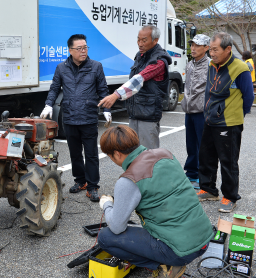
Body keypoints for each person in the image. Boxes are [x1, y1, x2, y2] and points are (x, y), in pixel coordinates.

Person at [98, 125, 213, 278]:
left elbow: (117, 227)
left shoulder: (128, 180)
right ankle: (170, 258)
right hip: (204, 238)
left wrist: (107, 205)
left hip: (180, 252)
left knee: (105, 237)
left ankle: (165, 265)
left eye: (110, 156)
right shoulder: (165, 154)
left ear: (117, 154)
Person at [40, 34, 111, 202]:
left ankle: (93, 186)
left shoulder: (96, 67)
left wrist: (107, 108)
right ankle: (80, 181)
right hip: (70, 117)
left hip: (89, 117)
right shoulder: (61, 68)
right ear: (70, 50)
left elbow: (103, 90)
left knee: (91, 154)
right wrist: (49, 104)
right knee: (75, 153)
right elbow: (54, 88)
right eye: (79, 48)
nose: (83, 51)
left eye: (85, 47)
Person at [196, 32, 254, 213]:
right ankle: (208, 189)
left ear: (228, 49)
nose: (211, 54)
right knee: (206, 156)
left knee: (228, 161)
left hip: (229, 123)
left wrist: (236, 115)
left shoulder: (240, 68)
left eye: (215, 50)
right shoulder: (213, 65)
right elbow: (209, 92)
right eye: (210, 50)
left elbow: (248, 97)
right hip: (210, 119)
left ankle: (230, 196)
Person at [98, 25, 172, 149]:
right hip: (135, 113)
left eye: (144, 40)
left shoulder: (159, 60)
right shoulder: (140, 56)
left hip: (148, 115)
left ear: (155, 40)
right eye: (138, 40)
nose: (140, 44)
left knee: (148, 155)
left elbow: (139, 79)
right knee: (134, 152)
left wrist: (115, 95)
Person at [181, 34, 210, 190]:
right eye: (192, 45)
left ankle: (202, 176)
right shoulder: (190, 64)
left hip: (202, 111)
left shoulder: (210, 65)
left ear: (206, 48)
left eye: (197, 45)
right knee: (191, 144)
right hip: (189, 110)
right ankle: (191, 173)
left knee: (202, 145)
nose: (193, 48)